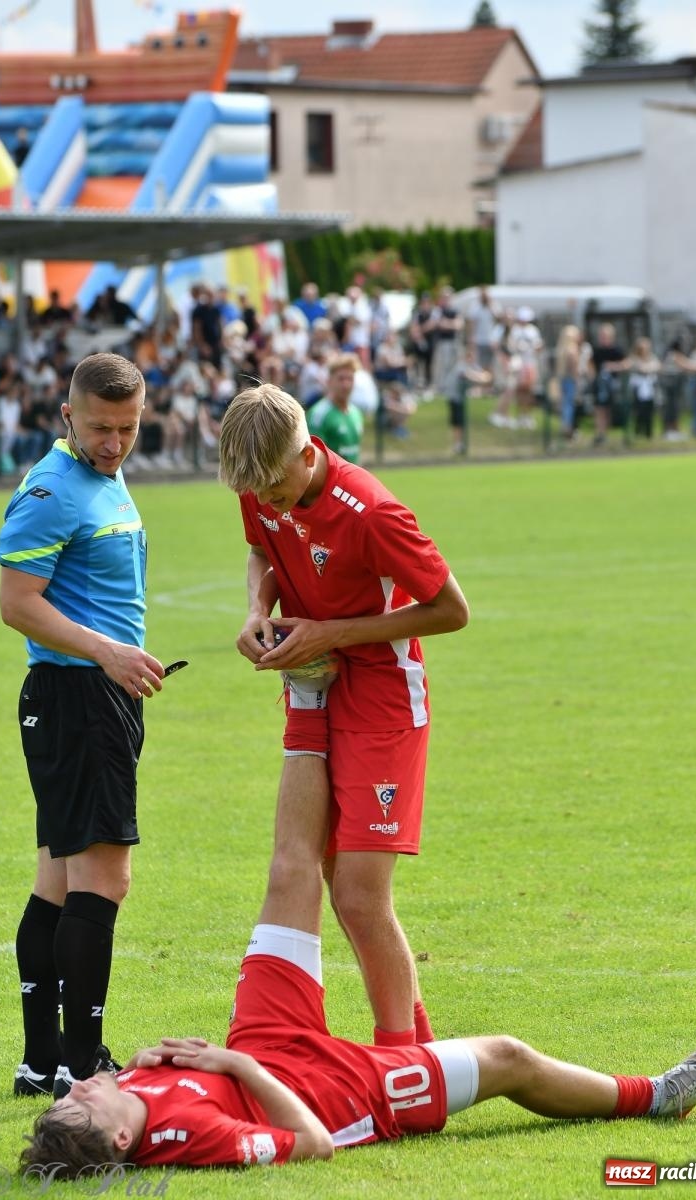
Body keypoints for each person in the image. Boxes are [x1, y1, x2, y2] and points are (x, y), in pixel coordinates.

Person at [19, 908, 696, 1176]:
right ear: (120, 1144)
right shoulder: (188, 1135)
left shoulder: (129, 1100)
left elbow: (156, 1084)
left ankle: (307, 697)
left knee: (290, 876)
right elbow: (311, 1145)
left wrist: (157, 1059)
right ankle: (656, 1098)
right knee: (508, 1058)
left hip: (269, 1041)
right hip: (340, 1095)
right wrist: (233, 1063)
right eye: (82, 1105)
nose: (78, 1086)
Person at [218, 384, 469, 1048]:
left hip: (384, 700)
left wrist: (331, 634)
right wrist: (255, 612)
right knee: (327, 875)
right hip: (312, 683)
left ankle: (402, 1064)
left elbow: (451, 610)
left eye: (274, 489)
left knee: (359, 895)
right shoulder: (261, 481)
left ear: (307, 454)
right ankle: (415, 1050)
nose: (265, 503)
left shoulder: (374, 512)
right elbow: (263, 553)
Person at [0, 353, 166, 1102]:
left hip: (96, 695)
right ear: (68, 415)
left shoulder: (107, 473)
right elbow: (16, 602)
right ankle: (82, 1060)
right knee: (105, 878)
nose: (115, 442)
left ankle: (41, 1062)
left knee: (59, 881)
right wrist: (106, 653)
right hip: (78, 697)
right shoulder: (52, 487)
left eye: (128, 428)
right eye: (100, 427)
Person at [306, 352, 364, 463]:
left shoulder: (356, 413)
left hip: (350, 479)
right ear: (329, 381)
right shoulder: (319, 414)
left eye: (350, 379)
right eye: (341, 379)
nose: (346, 384)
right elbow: (314, 460)